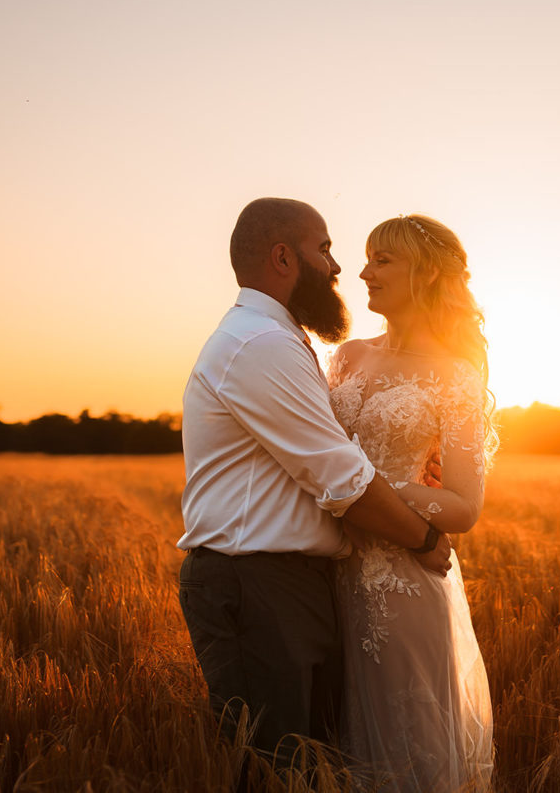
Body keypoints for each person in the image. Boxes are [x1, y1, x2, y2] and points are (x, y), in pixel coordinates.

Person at [176, 198, 453, 769]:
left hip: (292, 585)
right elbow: (341, 477)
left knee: (314, 768)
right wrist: (424, 540)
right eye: (324, 249)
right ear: (283, 257)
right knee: (276, 769)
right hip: (257, 584)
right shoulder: (261, 345)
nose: (337, 267)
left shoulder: (276, 338)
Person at [327, 214, 496, 791]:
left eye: (382, 260)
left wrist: (370, 490)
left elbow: (463, 506)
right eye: (367, 258)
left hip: (398, 585)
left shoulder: (456, 377)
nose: (363, 271)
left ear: (424, 273)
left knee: (405, 754)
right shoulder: (347, 357)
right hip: (323, 575)